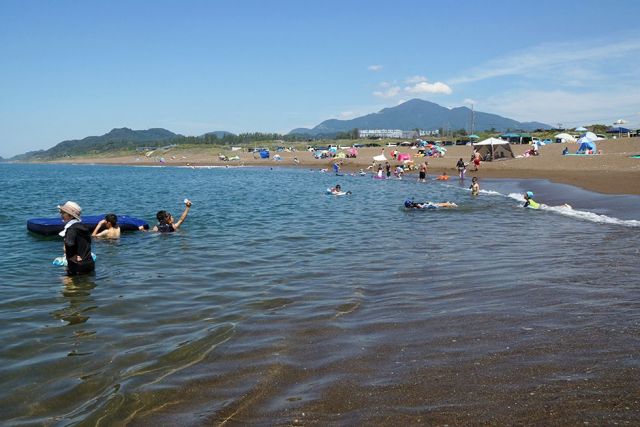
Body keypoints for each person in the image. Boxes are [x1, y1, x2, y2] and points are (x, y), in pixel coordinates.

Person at [58, 201, 95, 275]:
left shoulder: (71, 229)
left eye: (63, 213)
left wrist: (72, 256)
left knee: (70, 286)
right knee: (87, 285)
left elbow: (69, 243)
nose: (61, 215)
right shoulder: (83, 226)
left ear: (71, 216)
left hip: (77, 265)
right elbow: (89, 242)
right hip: (89, 262)